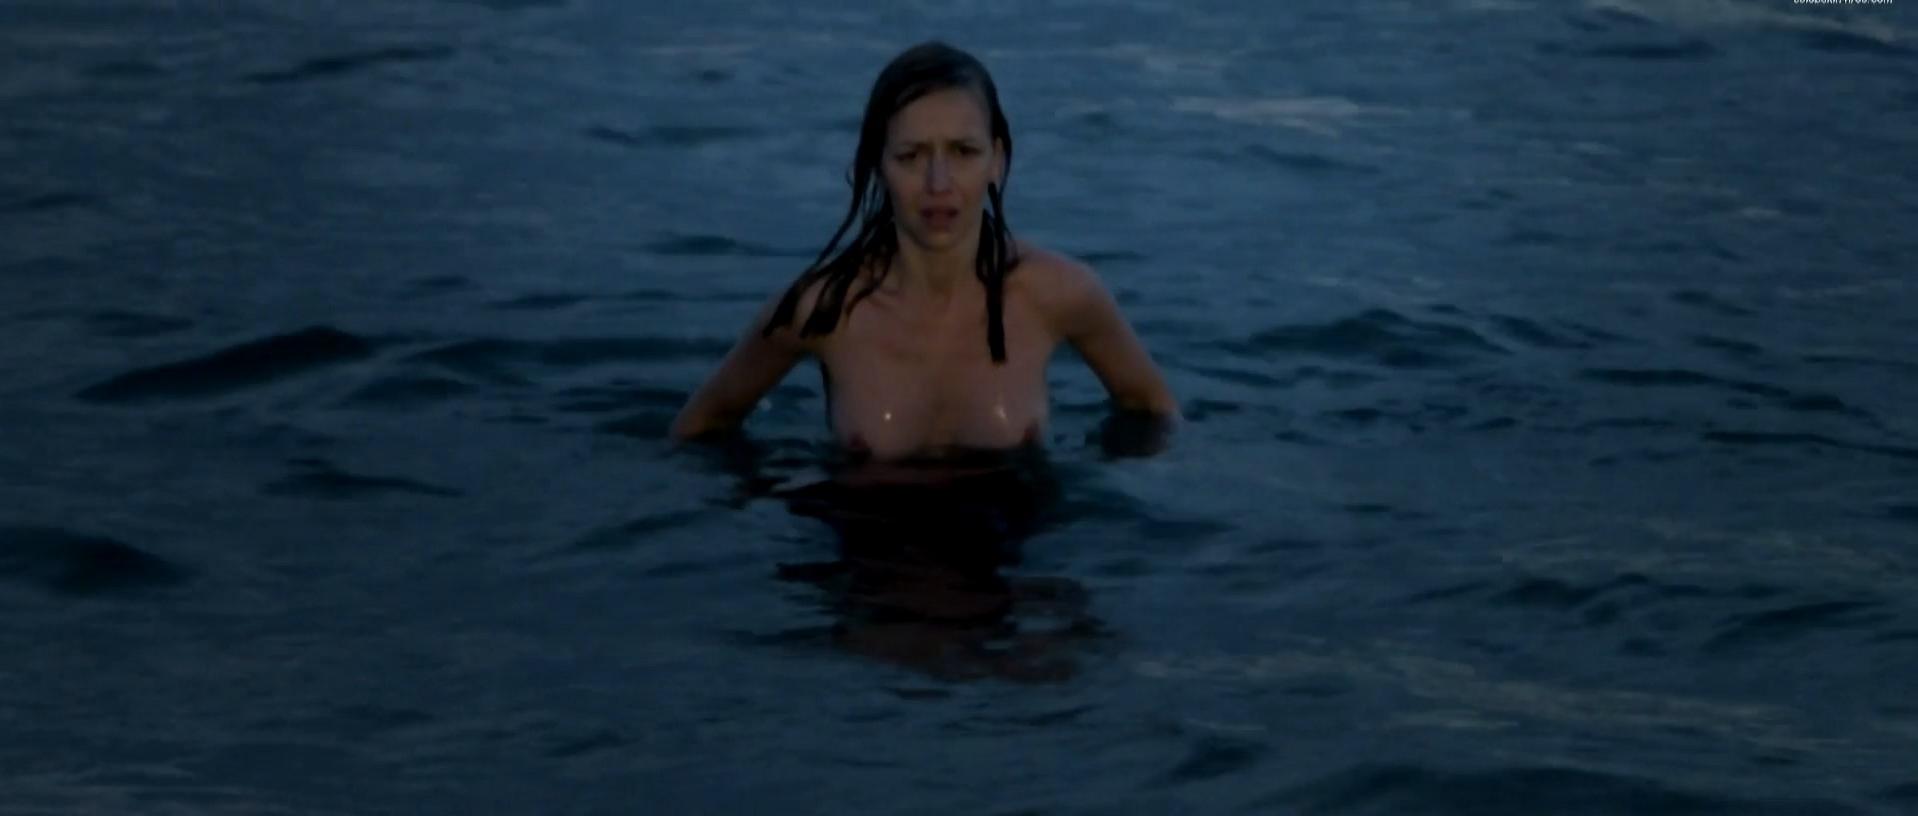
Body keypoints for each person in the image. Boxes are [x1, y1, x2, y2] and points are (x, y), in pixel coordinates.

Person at [669, 40, 1179, 462]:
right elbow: (701, 427)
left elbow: (1154, 411)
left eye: (963, 152)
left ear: (997, 160)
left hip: (1009, 547)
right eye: (911, 156)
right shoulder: (823, 310)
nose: (939, 183)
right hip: (866, 544)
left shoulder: (1059, 294)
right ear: (878, 164)